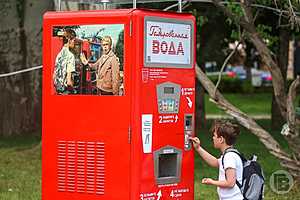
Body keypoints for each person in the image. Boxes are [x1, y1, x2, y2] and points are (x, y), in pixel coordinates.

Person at [190, 120, 243, 200]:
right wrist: (198, 148)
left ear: (221, 139)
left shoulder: (229, 157)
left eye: (214, 135)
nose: (213, 138)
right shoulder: (229, 154)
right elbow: (216, 162)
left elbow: (230, 183)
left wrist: (212, 182)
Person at [53, 28, 76, 94]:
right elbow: (69, 82)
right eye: (74, 40)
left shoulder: (59, 55)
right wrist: (73, 90)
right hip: (66, 91)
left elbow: (54, 76)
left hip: (58, 90)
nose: (74, 43)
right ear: (69, 40)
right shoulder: (70, 56)